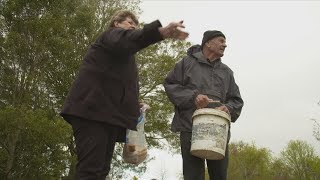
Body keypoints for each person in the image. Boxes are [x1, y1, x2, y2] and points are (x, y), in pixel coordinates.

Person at [60, 10, 188, 180]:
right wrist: (160, 32)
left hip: (107, 117)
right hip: (91, 113)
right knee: (90, 170)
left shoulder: (124, 57)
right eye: (129, 23)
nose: (133, 27)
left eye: (135, 25)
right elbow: (128, 39)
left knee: (101, 171)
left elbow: (117, 87)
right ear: (116, 24)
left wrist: (136, 105)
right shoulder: (110, 36)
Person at [164, 30, 244, 180]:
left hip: (219, 130)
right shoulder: (186, 63)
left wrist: (228, 108)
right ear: (208, 43)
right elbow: (170, 84)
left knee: (219, 176)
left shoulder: (227, 72)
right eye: (221, 41)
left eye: (224, 42)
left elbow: (236, 100)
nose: (225, 45)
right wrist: (193, 97)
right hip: (190, 127)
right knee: (193, 176)